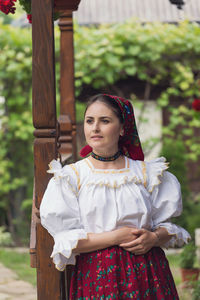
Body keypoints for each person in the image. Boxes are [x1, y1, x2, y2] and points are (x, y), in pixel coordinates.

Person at [40, 94, 191, 300]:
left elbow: (168, 227)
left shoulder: (146, 174)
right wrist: (117, 237)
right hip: (97, 276)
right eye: (89, 121)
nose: (95, 128)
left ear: (122, 128)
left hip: (148, 272)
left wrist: (154, 238)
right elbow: (68, 240)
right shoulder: (71, 177)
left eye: (105, 121)